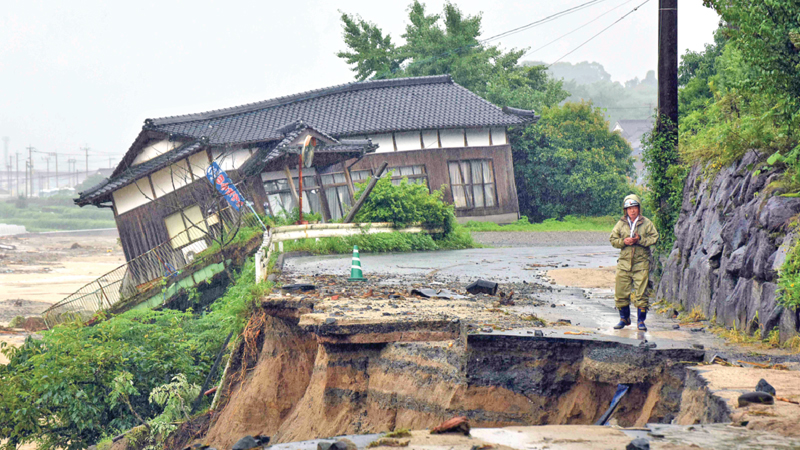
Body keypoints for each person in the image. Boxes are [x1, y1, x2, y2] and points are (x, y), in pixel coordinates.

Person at [609, 194, 659, 331]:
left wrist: (640, 240)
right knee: (620, 292)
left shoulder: (647, 223)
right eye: (629, 208)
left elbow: (654, 238)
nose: (632, 210)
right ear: (625, 210)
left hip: (641, 263)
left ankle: (641, 321)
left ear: (639, 208)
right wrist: (623, 242)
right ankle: (624, 319)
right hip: (624, 263)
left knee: (641, 293)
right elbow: (613, 239)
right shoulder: (621, 223)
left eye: (635, 207)